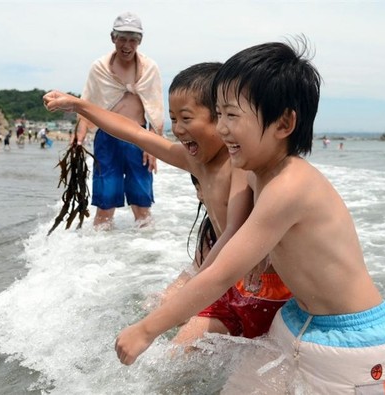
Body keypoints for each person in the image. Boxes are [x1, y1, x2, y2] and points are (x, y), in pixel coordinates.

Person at [110, 41, 385, 393]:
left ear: (284, 123)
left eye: (232, 115)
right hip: (296, 320)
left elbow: (221, 273)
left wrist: (146, 330)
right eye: (218, 114)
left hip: (356, 344)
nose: (221, 128)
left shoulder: (290, 185)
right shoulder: (256, 173)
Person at [43, 62, 290, 346]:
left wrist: (192, 290)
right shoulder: (194, 161)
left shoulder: (239, 165)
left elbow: (234, 233)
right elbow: (134, 132)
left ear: (220, 119)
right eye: (173, 119)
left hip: (267, 290)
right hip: (228, 281)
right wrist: (79, 105)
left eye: (187, 118)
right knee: (178, 347)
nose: (178, 129)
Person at [73, 11, 164, 229]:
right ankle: (99, 256)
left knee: (142, 205)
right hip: (107, 138)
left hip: (139, 138)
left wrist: (153, 146)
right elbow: (87, 101)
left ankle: (143, 256)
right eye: (122, 38)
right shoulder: (100, 67)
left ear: (139, 41)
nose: (127, 45)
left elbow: (155, 107)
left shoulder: (149, 68)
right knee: (105, 205)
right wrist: (79, 137)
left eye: (133, 39)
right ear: (113, 38)